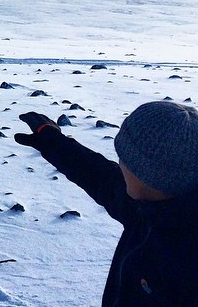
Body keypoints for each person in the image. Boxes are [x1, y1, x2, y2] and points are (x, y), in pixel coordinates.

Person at [15, 101, 198, 306]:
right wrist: (53, 141)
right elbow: (99, 176)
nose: (119, 164)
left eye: (124, 158)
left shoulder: (187, 260)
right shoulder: (152, 206)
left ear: (148, 173)